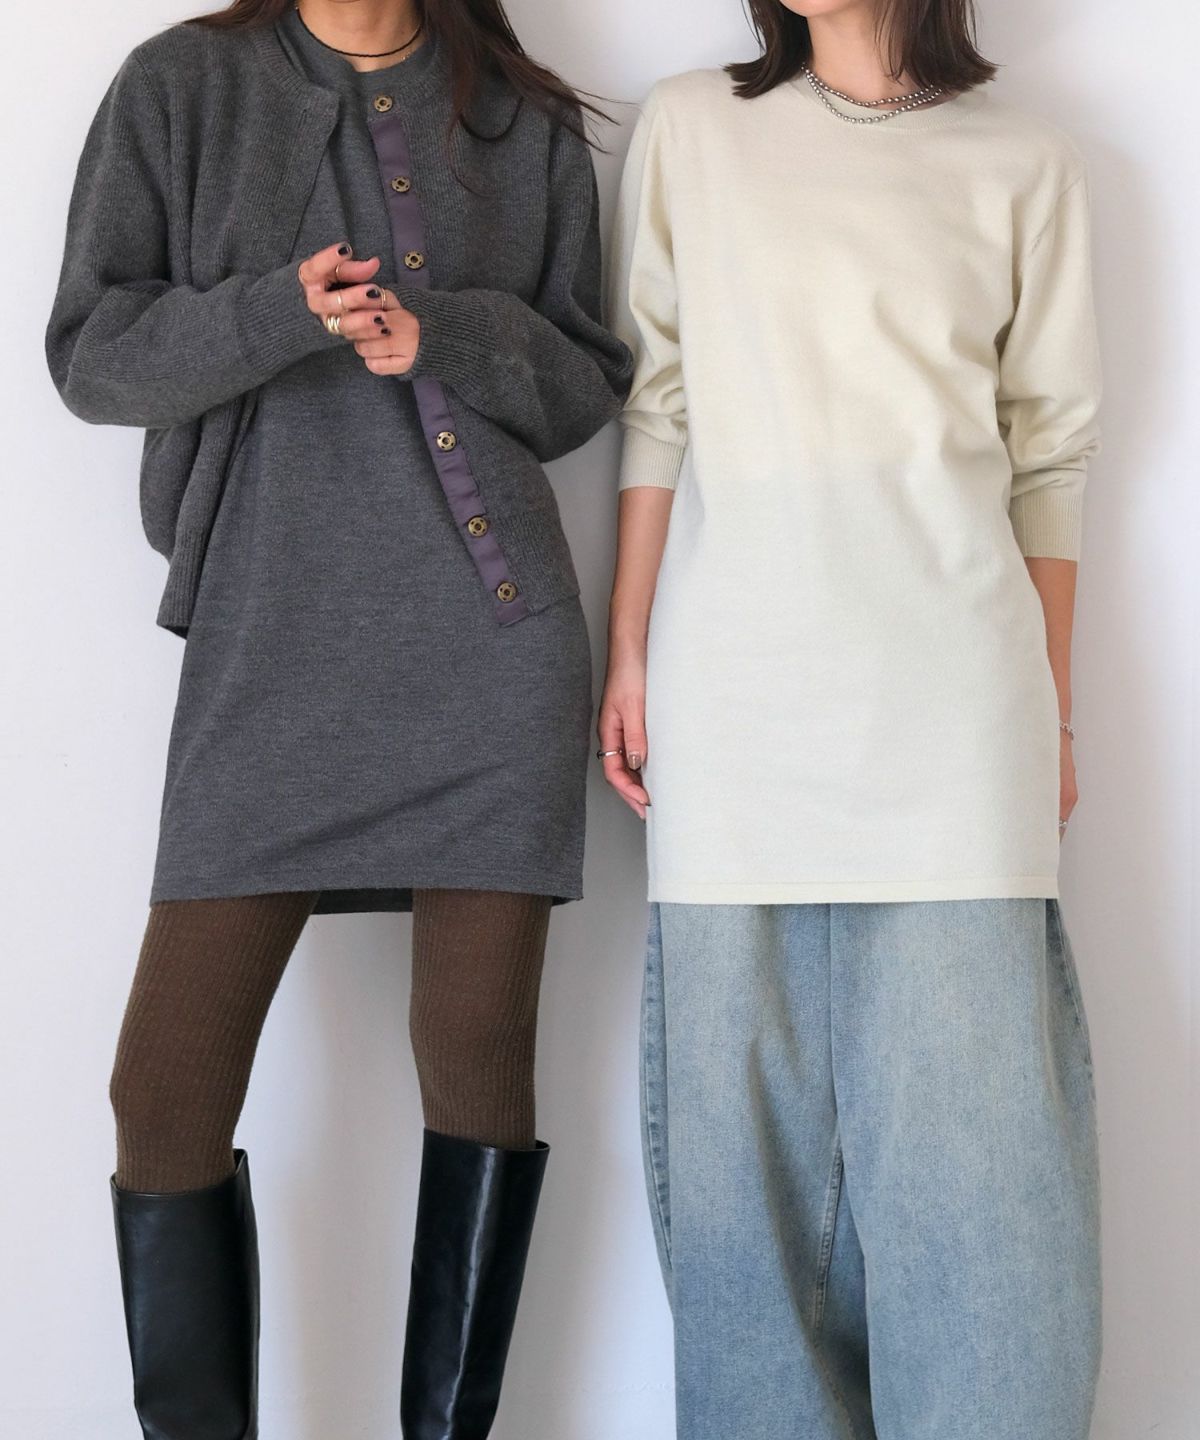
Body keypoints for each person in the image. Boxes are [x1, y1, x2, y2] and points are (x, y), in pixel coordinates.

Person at [45, 1, 632, 1434]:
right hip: (271, 643)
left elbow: (581, 384)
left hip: (491, 648)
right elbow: (91, 356)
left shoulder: (524, 115)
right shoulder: (180, 86)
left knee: (479, 1068)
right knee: (163, 1096)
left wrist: (443, 332)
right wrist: (277, 310)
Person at [601, 0, 1102, 1435]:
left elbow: (1050, 458)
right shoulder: (693, 128)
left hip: (958, 727)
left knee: (992, 1245)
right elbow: (660, 403)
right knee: (746, 1250)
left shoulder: (1026, 160)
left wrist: (1053, 716)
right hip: (733, 723)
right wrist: (627, 650)